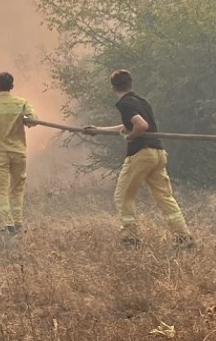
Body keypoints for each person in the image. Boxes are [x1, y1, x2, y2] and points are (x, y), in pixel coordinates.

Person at [83, 69, 194, 248]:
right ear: (130, 83)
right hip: (158, 153)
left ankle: (130, 239)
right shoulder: (142, 101)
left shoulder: (124, 103)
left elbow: (140, 125)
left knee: (123, 195)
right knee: (165, 197)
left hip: (141, 154)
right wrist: (99, 130)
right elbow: (130, 124)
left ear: (113, 88)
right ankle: (183, 237)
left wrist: (131, 137)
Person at [0, 72, 37, 235]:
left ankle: (8, 224)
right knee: (17, 188)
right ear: (12, 86)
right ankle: (18, 222)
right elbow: (33, 119)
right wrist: (26, 119)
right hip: (19, 153)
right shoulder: (21, 103)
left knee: (2, 189)